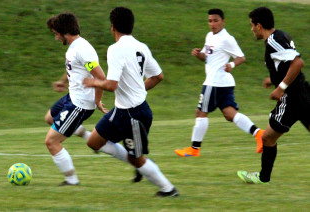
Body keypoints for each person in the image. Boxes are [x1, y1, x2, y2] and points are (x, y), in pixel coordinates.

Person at [83, 7, 178, 197]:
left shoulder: (115, 49)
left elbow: (111, 85)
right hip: (122, 111)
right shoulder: (141, 46)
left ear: (112, 27)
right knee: (94, 142)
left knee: (138, 160)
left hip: (133, 114)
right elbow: (158, 76)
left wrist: (94, 82)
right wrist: (138, 89)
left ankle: (168, 189)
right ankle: (135, 161)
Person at [174, 8, 264, 157]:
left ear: (223, 21)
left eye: (216, 20)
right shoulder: (210, 36)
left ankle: (194, 149)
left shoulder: (226, 38)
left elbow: (241, 57)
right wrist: (198, 55)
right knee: (230, 114)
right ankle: (258, 133)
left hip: (214, 82)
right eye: (210, 21)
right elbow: (207, 57)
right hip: (222, 83)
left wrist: (232, 65)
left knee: (201, 113)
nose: (212, 24)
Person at [237, 7, 310, 184]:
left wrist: (281, 87)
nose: (251, 29)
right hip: (302, 92)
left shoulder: (273, 42)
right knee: (268, 137)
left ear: (259, 26)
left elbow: (297, 63)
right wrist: (274, 78)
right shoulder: (280, 35)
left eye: (251, 25)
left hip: (293, 97)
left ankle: (263, 178)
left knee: (267, 138)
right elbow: (286, 64)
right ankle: (263, 177)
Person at [45, 13, 108, 186]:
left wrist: (97, 101)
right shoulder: (74, 48)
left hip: (80, 104)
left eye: (56, 33)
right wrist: (62, 82)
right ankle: (86, 135)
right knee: (49, 118)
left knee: (51, 142)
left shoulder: (83, 49)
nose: (56, 37)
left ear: (64, 31)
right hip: (71, 97)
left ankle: (71, 180)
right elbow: (73, 66)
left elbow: (101, 78)